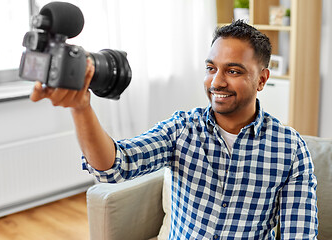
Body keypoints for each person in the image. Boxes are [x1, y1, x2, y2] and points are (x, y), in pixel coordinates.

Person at [30, 20, 318, 239]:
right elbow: (114, 167)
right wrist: (81, 108)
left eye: (233, 71)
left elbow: (299, 232)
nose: (216, 82)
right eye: (210, 68)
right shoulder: (182, 128)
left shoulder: (290, 149)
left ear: (262, 79)